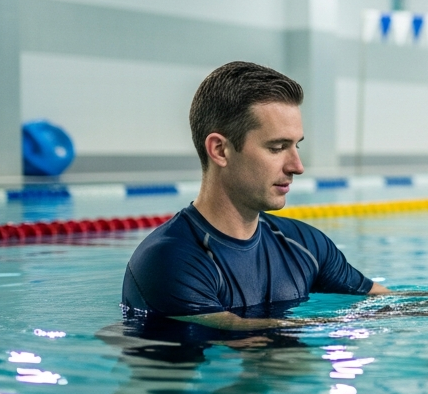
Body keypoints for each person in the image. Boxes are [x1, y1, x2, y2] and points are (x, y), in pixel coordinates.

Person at [121, 61, 389, 333]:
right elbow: (250, 343)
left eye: (296, 146)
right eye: (277, 147)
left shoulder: (304, 244)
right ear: (220, 150)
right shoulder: (170, 260)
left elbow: (387, 302)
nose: (297, 166)